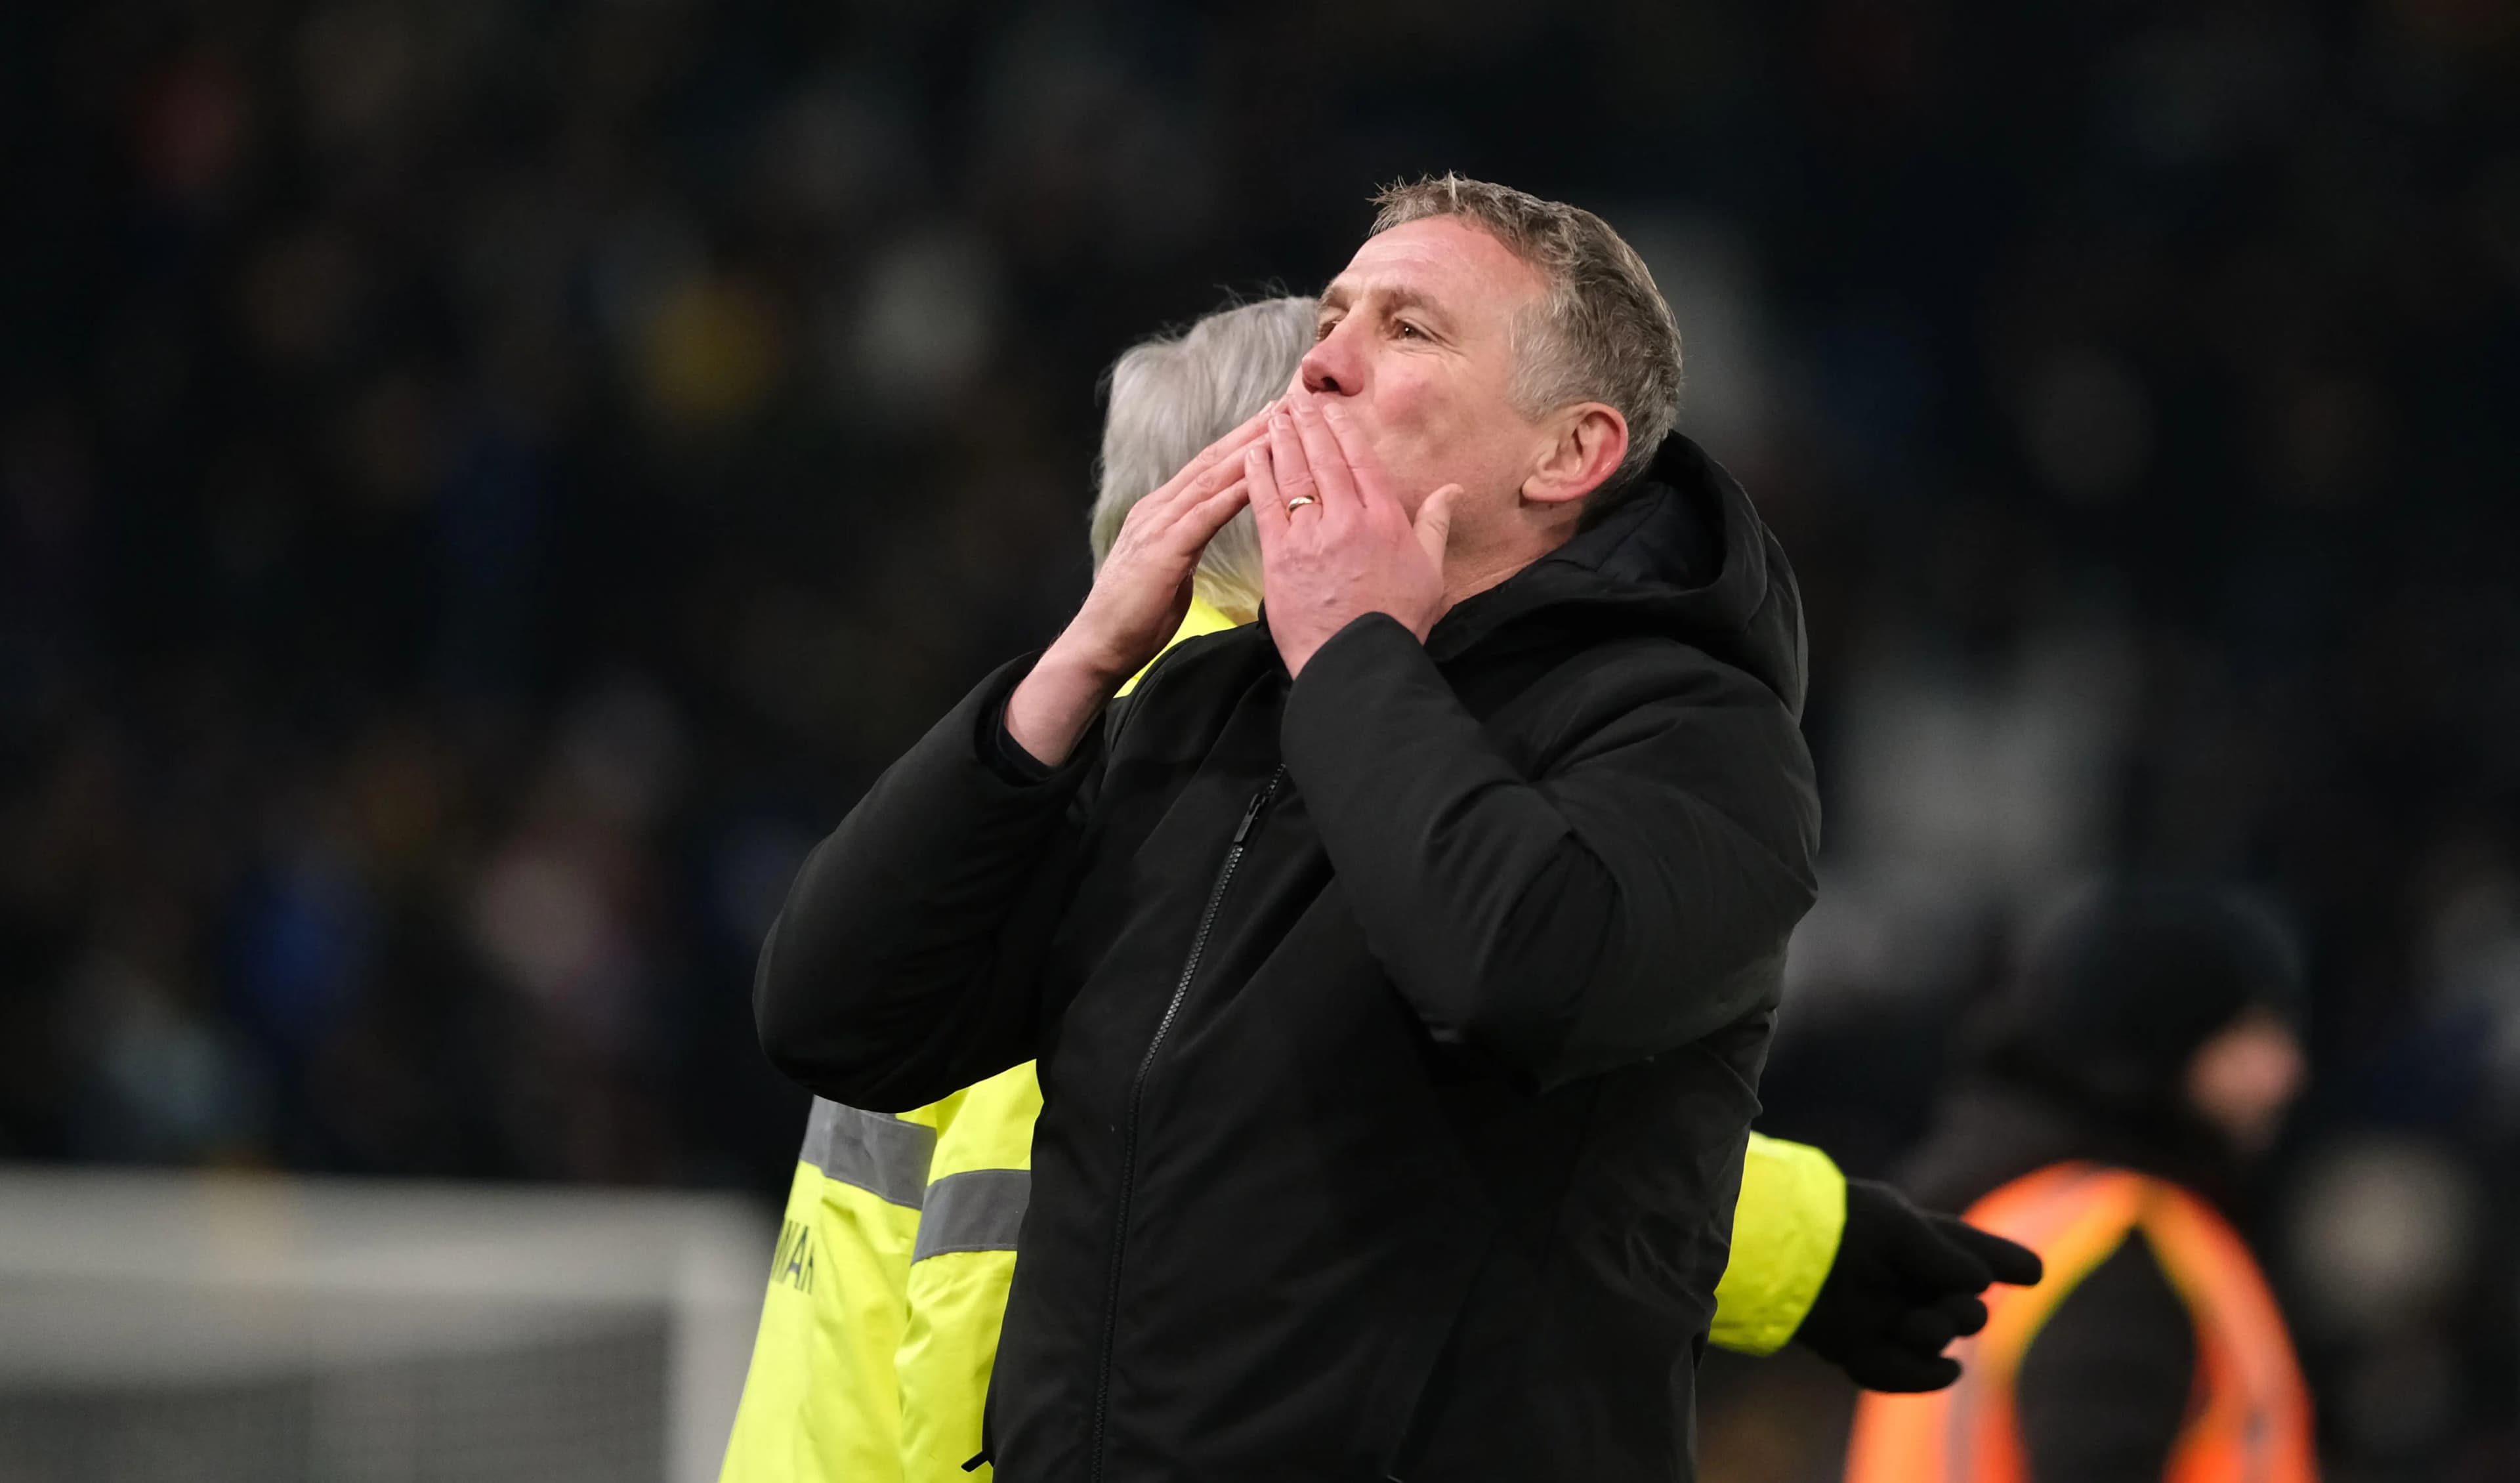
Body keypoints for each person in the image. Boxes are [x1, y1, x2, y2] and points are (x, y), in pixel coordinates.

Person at [719, 297, 2040, 1483]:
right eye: (1333, 391)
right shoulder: (1160, 776)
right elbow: (1248, 1143)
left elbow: (1367, 1103)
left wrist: (1806, 1236)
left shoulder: (1024, 776)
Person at [1845, 884, 2320, 1483]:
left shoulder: (2004, 1212)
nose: (2287, 1072)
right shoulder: (2122, 1251)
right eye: (2251, 1033)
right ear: (2156, 1042)